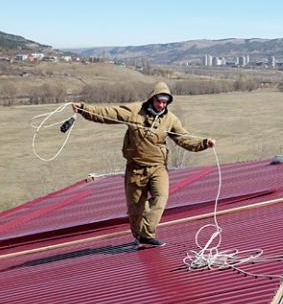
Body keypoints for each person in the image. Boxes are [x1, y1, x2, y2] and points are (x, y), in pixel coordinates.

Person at [72, 82, 215, 248]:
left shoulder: (170, 119)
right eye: (159, 101)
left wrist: (204, 143)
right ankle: (139, 235)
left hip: (158, 167)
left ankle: (147, 235)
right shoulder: (134, 111)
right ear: (152, 98)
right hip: (135, 168)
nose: (161, 105)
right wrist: (83, 109)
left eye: (165, 102)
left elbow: (184, 138)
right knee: (135, 209)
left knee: (161, 197)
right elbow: (108, 114)